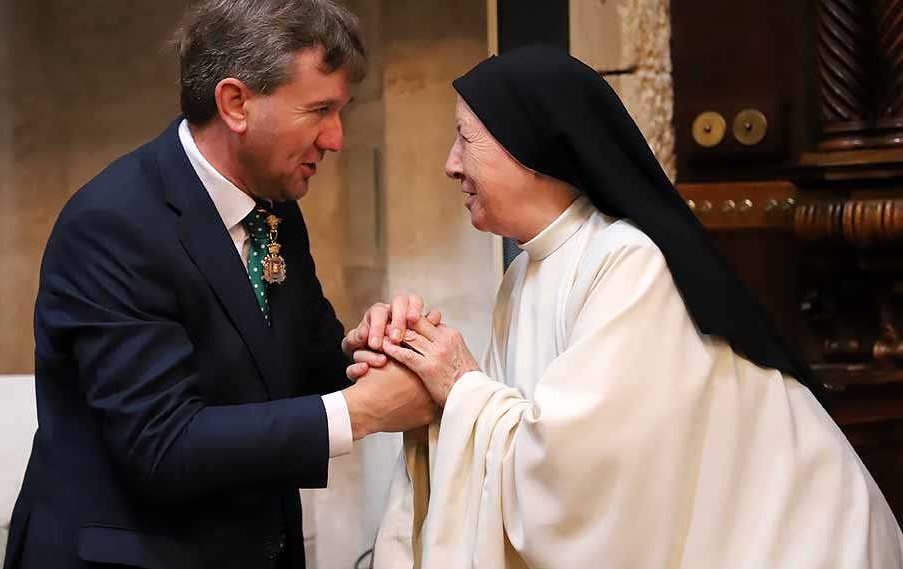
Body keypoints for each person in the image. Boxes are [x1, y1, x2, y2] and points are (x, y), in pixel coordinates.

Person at [351, 46, 903, 568]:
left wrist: (459, 385)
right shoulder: (524, 273)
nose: (450, 165)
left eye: (465, 140)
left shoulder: (631, 263)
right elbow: (518, 438)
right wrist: (425, 372)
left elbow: (586, 482)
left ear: (532, 149)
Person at [3, 0, 437, 569]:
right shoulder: (113, 225)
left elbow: (297, 369)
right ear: (235, 103)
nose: (336, 138)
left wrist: (372, 351)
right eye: (318, 110)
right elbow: (162, 445)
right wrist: (362, 412)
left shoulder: (275, 206)